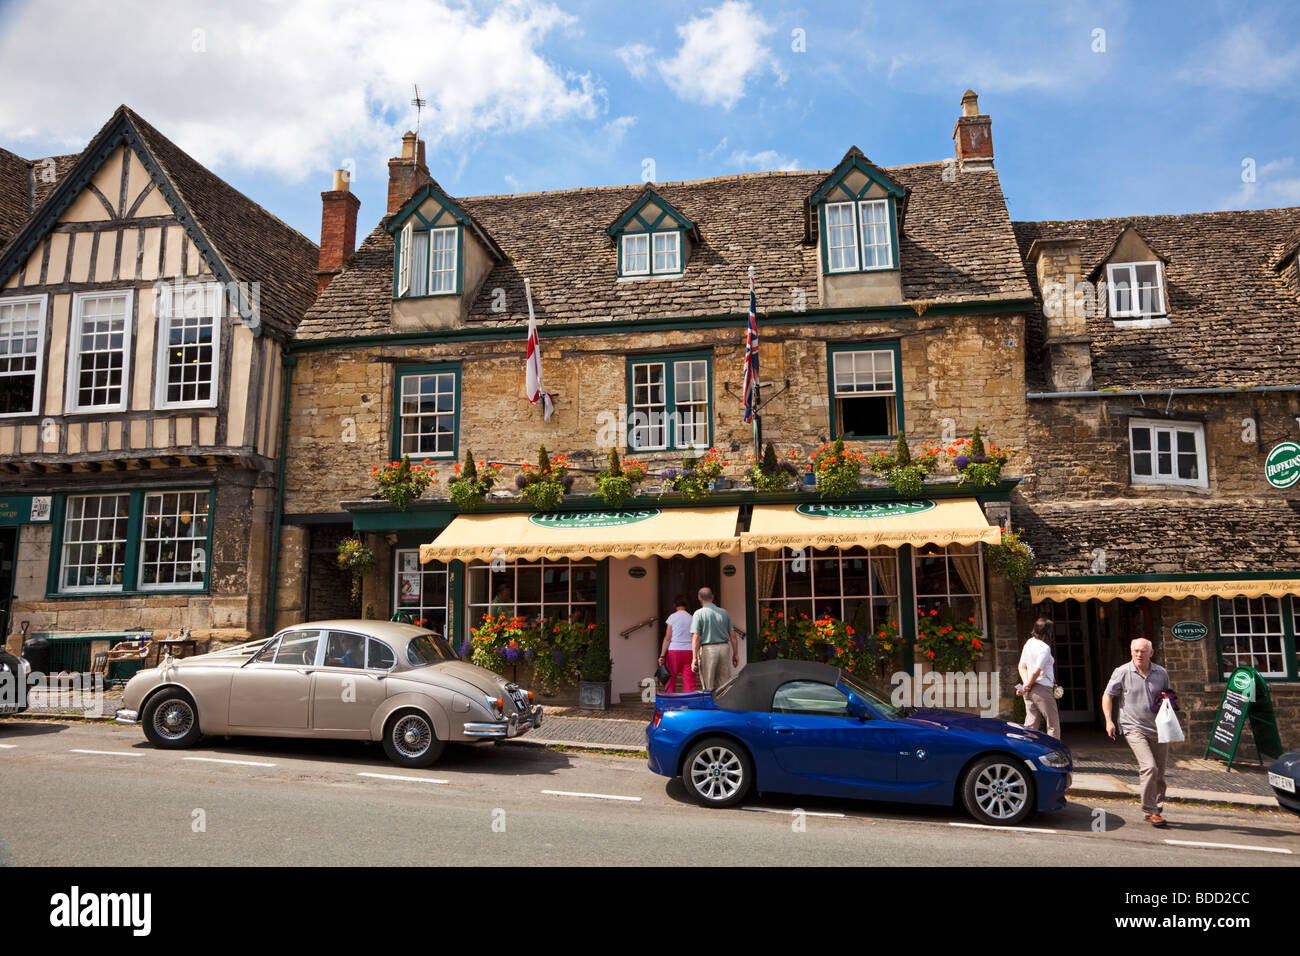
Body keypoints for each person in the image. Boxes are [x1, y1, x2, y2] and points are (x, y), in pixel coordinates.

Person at [1103, 637, 1174, 828]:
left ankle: (1156, 810)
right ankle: (1149, 810)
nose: (1138, 654)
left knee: (1159, 773)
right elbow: (1108, 695)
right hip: (1133, 727)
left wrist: (1168, 701)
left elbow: (1168, 695)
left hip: (1159, 728)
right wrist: (1109, 721)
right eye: (1135, 651)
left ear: (1151, 653)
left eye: (1143, 651)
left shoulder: (1161, 673)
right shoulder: (1122, 672)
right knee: (1149, 767)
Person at [1017, 617, 1060, 739]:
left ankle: (1023, 751)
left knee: (1030, 725)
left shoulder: (1029, 642)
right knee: (1053, 724)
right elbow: (1037, 671)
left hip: (1029, 690)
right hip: (1042, 688)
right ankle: (1054, 753)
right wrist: (1028, 684)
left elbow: (1021, 666)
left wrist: (1025, 684)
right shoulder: (1044, 648)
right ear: (1048, 632)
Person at [690, 587, 739, 692]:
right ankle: (724, 706)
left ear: (699, 598)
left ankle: (710, 707)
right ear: (712, 597)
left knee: (708, 684)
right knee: (724, 683)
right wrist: (735, 654)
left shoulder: (698, 614)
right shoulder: (724, 613)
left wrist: (694, 658)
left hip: (708, 649)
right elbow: (733, 635)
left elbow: (696, 637)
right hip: (724, 647)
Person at [658, 595, 695, 693]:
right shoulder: (691, 618)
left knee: (670, 679)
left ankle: (671, 704)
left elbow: (667, 638)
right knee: (689, 680)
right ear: (686, 605)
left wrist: (662, 655)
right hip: (689, 651)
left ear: (675, 605)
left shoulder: (672, 617)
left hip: (674, 651)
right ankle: (689, 704)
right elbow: (695, 636)